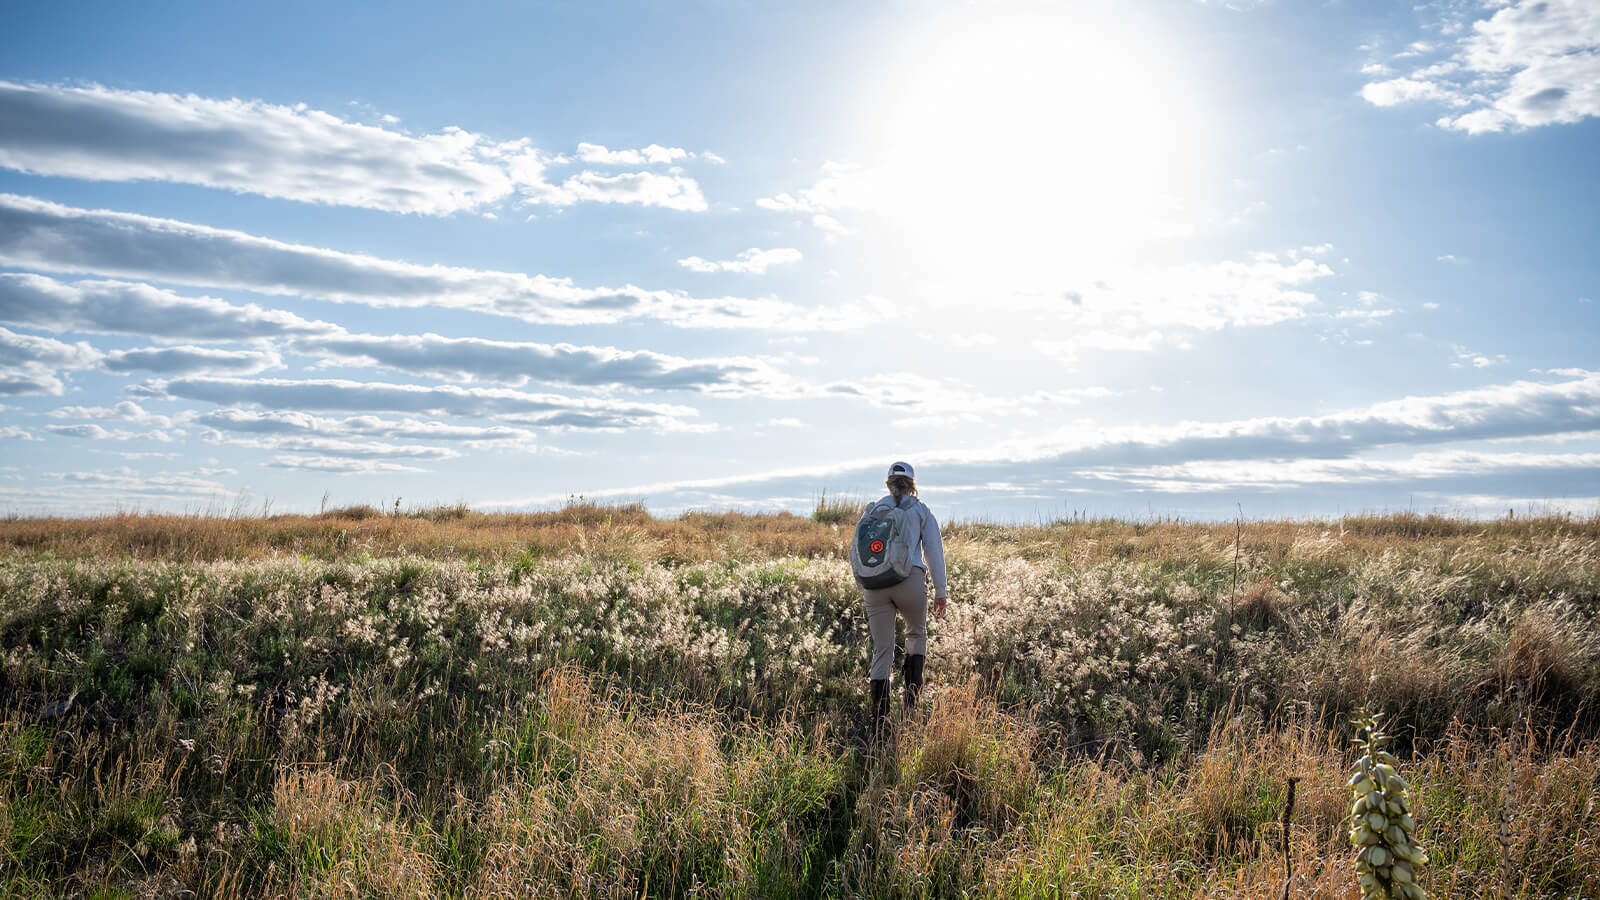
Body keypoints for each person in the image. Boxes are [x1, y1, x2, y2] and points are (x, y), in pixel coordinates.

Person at [861, 460, 949, 734]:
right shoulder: (921, 511)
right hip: (910, 580)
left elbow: (859, 550)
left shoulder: (873, 510)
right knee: (916, 635)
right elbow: (934, 552)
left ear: (889, 483)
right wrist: (940, 591)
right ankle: (910, 708)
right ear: (912, 485)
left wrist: (865, 584)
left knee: (882, 650)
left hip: (875, 584)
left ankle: (880, 721)